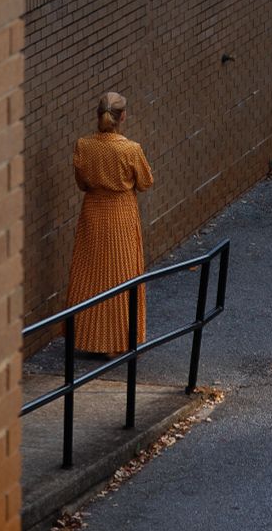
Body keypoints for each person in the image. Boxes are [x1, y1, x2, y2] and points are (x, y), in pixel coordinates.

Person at [65, 91, 153, 354]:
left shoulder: (84, 145)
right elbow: (146, 182)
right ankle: (117, 341)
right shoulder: (130, 149)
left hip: (93, 212)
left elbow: (81, 184)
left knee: (90, 275)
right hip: (121, 214)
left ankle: (88, 337)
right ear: (122, 116)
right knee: (121, 275)